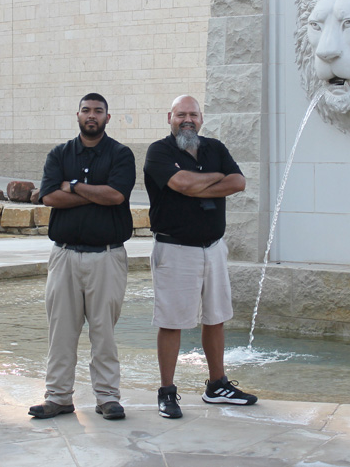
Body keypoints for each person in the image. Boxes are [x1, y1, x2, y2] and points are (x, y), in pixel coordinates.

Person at [143, 94, 258, 419]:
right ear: (170, 117)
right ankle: (167, 391)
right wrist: (210, 181)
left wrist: (197, 186)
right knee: (171, 321)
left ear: (201, 118)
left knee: (215, 317)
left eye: (193, 114)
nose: (187, 119)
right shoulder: (159, 151)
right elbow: (179, 182)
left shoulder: (215, 148)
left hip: (214, 247)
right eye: (181, 114)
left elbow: (238, 182)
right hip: (175, 248)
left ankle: (217, 385)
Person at [29, 93, 135, 421]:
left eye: (98, 111)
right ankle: (58, 397)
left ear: (107, 117)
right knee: (61, 330)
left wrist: (73, 186)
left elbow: (116, 195)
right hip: (64, 257)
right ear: (77, 115)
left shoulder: (121, 154)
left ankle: (107, 398)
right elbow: (48, 197)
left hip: (107, 257)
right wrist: (95, 193)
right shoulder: (59, 154)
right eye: (87, 110)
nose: (92, 116)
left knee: (103, 331)